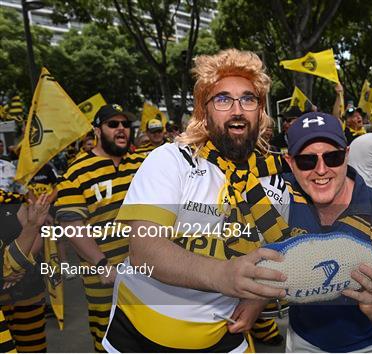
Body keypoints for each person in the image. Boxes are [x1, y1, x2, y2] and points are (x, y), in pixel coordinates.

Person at [102, 49, 289, 352]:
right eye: (223, 99)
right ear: (204, 112)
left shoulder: (274, 180)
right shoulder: (171, 160)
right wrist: (224, 275)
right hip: (140, 333)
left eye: (248, 99)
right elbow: (144, 250)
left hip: (224, 333)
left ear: (261, 111)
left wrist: (256, 298)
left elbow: (273, 252)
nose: (237, 109)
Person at [283, 112, 372, 352]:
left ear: (347, 156)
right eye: (307, 161)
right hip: (302, 341)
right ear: (290, 163)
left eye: (333, 157)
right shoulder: (281, 199)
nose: (321, 170)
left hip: (369, 346)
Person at [54, 104, 145, 352]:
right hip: (105, 278)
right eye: (112, 124)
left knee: (150, 336)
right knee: (109, 341)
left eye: (125, 124)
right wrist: (103, 266)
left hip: (149, 274)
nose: (121, 129)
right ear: (97, 130)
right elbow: (71, 226)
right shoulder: (75, 172)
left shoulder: (144, 163)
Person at [1, 193, 50, 352]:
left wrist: (19, 265)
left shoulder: (10, 196)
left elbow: (34, 234)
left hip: (26, 290)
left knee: (33, 348)